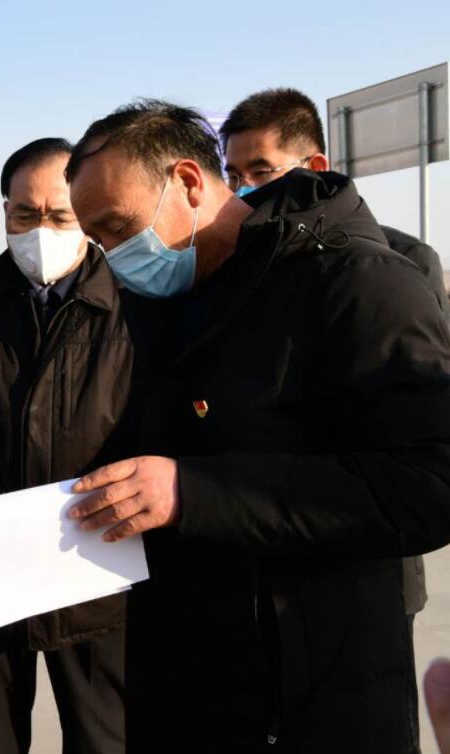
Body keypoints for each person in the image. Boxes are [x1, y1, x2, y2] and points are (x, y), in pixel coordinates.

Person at [65, 99, 450, 753]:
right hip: (188, 687)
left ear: (188, 182)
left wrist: (193, 492)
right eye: (98, 241)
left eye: (119, 228)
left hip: (314, 701)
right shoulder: (163, 302)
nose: (114, 255)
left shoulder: (357, 280)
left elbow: (428, 485)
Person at [0, 137, 129, 754]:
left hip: (98, 561)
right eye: (25, 214)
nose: (42, 230)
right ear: (4, 212)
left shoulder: (131, 304)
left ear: (85, 215)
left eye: (60, 216)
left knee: (104, 735)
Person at [220, 87, 446, 310]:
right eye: (233, 176)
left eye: (261, 172)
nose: (242, 189)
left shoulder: (400, 259)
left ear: (316, 168)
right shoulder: (232, 263)